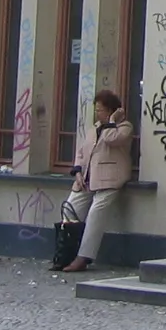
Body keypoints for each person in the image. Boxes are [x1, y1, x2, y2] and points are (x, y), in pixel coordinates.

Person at [57, 89, 133, 273]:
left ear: (111, 110)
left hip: (110, 180)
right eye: (96, 109)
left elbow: (111, 139)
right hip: (87, 178)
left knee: (95, 215)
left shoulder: (124, 127)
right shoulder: (94, 128)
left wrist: (113, 121)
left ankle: (83, 257)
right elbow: (81, 151)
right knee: (70, 209)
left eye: (100, 110)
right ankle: (65, 253)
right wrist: (77, 171)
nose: (97, 113)